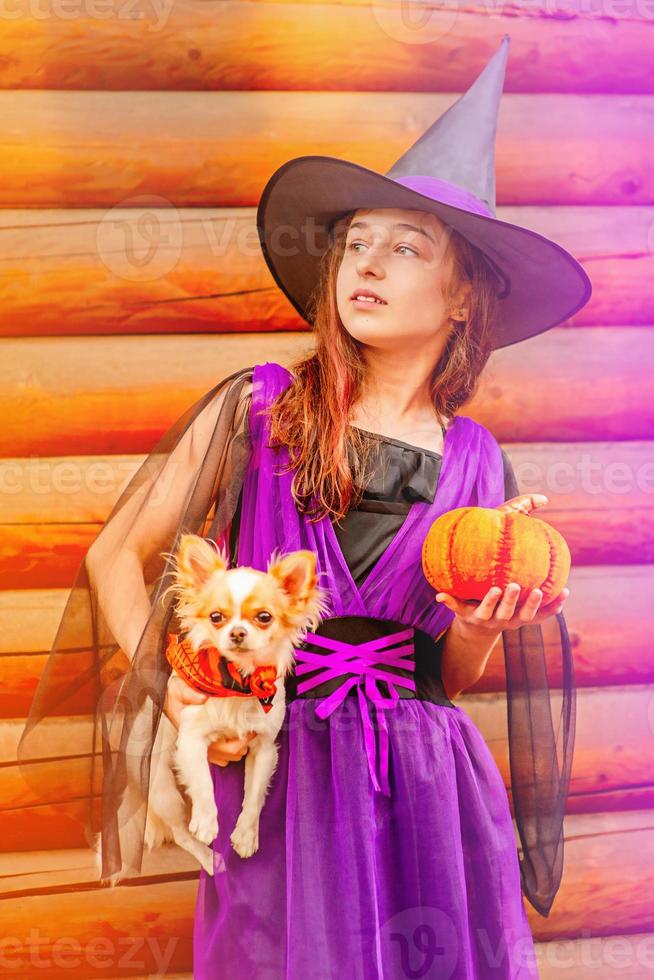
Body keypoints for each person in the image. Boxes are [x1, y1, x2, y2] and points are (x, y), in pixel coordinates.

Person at [17, 35, 589, 978]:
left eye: (407, 247)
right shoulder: (259, 408)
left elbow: (446, 678)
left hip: (424, 783)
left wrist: (485, 629)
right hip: (280, 769)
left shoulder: (477, 462)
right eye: (355, 242)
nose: (368, 262)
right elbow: (114, 556)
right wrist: (176, 693)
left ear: (460, 299)